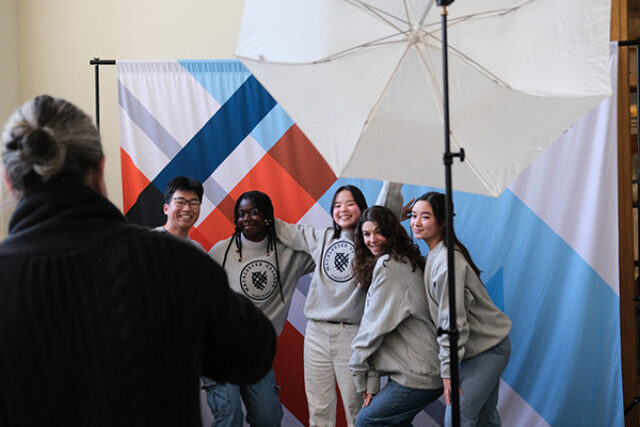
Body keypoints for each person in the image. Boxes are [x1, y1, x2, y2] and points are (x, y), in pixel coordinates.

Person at [0, 95, 276, 426]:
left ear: (8, 180)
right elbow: (254, 352)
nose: (187, 209)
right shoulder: (176, 264)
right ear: (99, 170)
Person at [275, 182, 403, 427]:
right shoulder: (321, 238)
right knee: (319, 408)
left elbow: (386, 207)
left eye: (350, 204)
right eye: (337, 205)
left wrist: (392, 181)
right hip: (315, 332)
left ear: (362, 208)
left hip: (352, 334)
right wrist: (260, 214)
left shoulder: (370, 240)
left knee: (356, 408)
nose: (343, 209)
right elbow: (289, 232)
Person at [203, 190, 314, 427]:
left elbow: (331, 246)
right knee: (230, 416)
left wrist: (381, 223)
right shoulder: (220, 252)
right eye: (241, 213)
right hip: (219, 349)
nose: (247, 218)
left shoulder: (289, 253)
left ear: (267, 216)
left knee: (268, 418)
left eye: (254, 212)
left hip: (256, 353)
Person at [410, 192, 512, 427]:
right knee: (486, 419)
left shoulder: (447, 262)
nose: (415, 222)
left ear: (443, 222)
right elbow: (379, 227)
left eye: (425, 217)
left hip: (490, 349)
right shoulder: (436, 255)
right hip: (479, 350)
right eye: (413, 216)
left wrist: (447, 371)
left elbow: (452, 322)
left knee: (458, 417)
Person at [349, 206, 443, 426]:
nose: (372, 240)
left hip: (419, 371)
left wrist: (358, 370)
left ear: (392, 232)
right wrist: (371, 383)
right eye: (366, 234)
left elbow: (372, 330)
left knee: (366, 421)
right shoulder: (397, 261)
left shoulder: (389, 266)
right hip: (415, 368)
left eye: (379, 232)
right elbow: (380, 330)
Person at [153, 175, 205, 252]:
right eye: (180, 202)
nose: (187, 208)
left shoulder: (198, 251)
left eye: (193, 203)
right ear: (166, 209)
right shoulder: (148, 241)